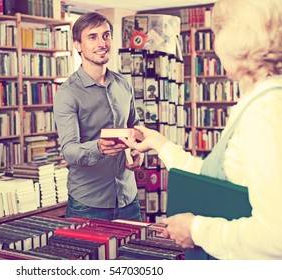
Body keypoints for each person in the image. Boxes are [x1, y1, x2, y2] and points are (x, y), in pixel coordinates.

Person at [120, 0, 282, 259]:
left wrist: (196, 229)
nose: (215, 42)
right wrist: (161, 144)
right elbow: (216, 178)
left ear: (237, 37)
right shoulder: (259, 101)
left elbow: (276, 237)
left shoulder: (265, 111)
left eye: (218, 31)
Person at [53, 12, 143, 221]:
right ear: (78, 45)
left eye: (106, 35)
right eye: (92, 37)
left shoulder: (123, 84)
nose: (102, 43)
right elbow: (69, 150)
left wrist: (139, 152)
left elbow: (134, 127)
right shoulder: (67, 94)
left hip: (129, 199)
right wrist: (98, 147)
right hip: (89, 203)